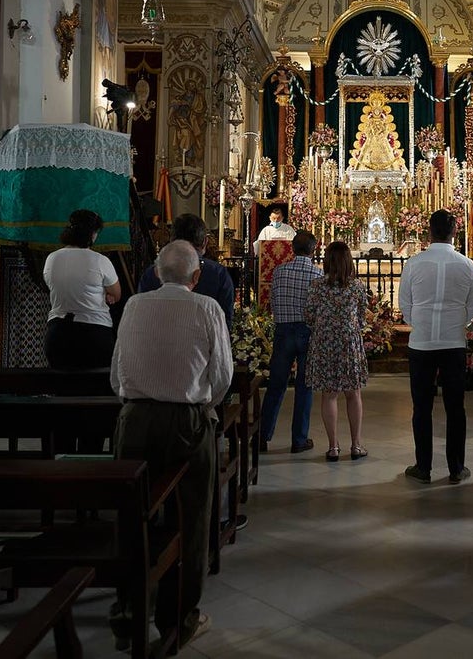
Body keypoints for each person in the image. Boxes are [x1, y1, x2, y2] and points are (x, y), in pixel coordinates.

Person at [108, 240, 233, 651]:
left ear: (157, 273)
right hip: (186, 421)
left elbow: (116, 374)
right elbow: (221, 376)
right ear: (197, 278)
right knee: (193, 515)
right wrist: (201, 407)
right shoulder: (207, 309)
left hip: (135, 420)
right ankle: (179, 615)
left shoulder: (133, 306)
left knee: (131, 514)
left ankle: (128, 609)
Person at [398, 210, 473, 484]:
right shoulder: (467, 264)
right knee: (455, 406)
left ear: (428, 232)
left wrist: (420, 323)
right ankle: (457, 468)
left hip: (421, 343)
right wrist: (457, 323)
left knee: (421, 406)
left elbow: (405, 306)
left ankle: (423, 467)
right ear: (454, 232)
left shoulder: (413, 263)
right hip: (454, 342)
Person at [304, 241, 370, 462]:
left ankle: (333, 447)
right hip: (349, 343)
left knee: (329, 394)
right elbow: (361, 317)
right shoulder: (356, 287)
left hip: (324, 343)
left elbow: (309, 315)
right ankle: (356, 445)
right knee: (353, 394)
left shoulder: (316, 286)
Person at [261, 231, 323, 454]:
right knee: (304, 387)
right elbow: (318, 308)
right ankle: (299, 440)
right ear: (313, 250)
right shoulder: (317, 275)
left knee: (276, 385)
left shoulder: (279, 271)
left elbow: (273, 299)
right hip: (307, 331)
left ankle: (262, 436)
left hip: (283, 330)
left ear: (292, 248)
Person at [43, 209, 121, 369]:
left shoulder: (52, 258)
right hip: (94, 336)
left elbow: (52, 285)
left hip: (58, 334)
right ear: (92, 234)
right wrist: (105, 294)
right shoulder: (100, 260)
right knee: (94, 391)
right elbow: (116, 293)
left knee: (63, 390)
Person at [138, 213, 235, 327]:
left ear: (171, 239)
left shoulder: (152, 272)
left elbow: (141, 316)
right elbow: (225, 323)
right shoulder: (218, 274)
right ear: (205, 242)